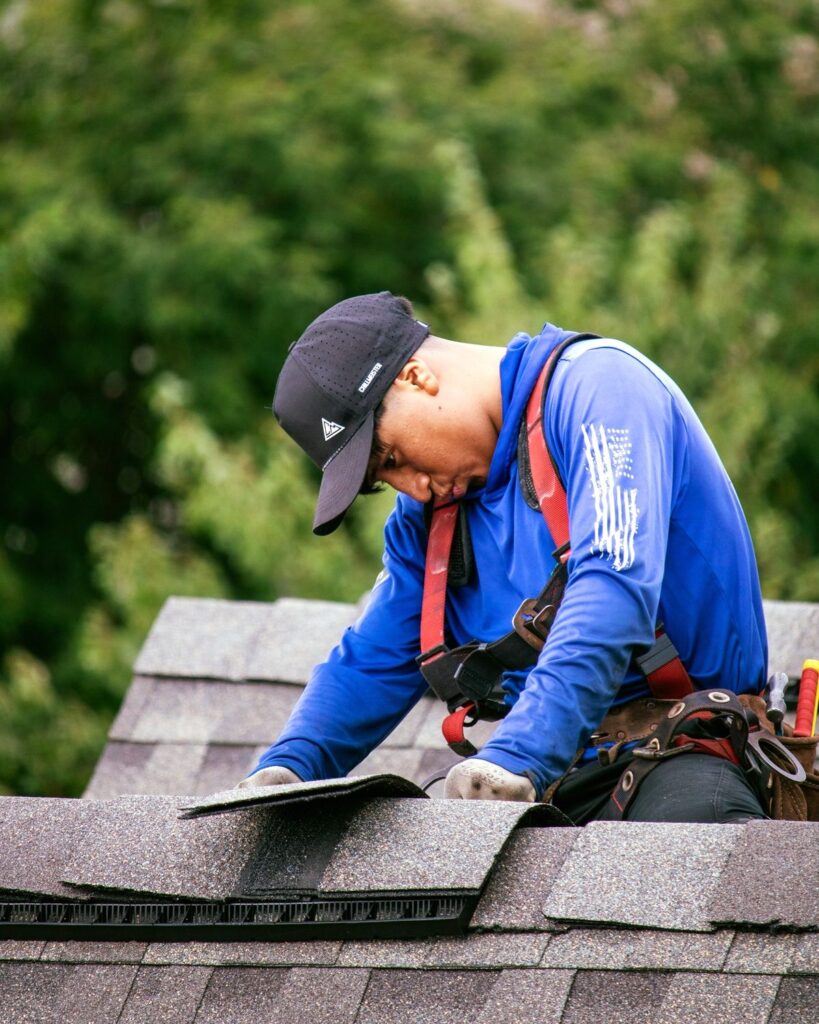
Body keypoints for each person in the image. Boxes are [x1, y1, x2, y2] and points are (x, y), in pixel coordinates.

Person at [238, 291, 770, 823]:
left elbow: (613, 587)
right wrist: (290, 766)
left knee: (677, 879)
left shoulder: (601, 389)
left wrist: (518, 754)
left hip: (688, 755)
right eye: (386, 482)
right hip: (555, 782)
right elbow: (376, 656)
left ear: (416, 377)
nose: (412, 488)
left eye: (393, 458)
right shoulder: (427, 516)